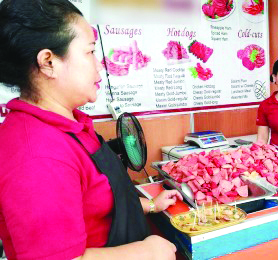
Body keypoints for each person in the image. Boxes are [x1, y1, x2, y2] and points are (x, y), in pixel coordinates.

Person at [0, 0, 182, 259]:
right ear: (48, 62)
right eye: (89, 52)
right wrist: (148, 252)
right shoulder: (37, 155)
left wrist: (150, 205)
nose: (99, 65)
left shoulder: (70, 124)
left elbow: (93, 202)